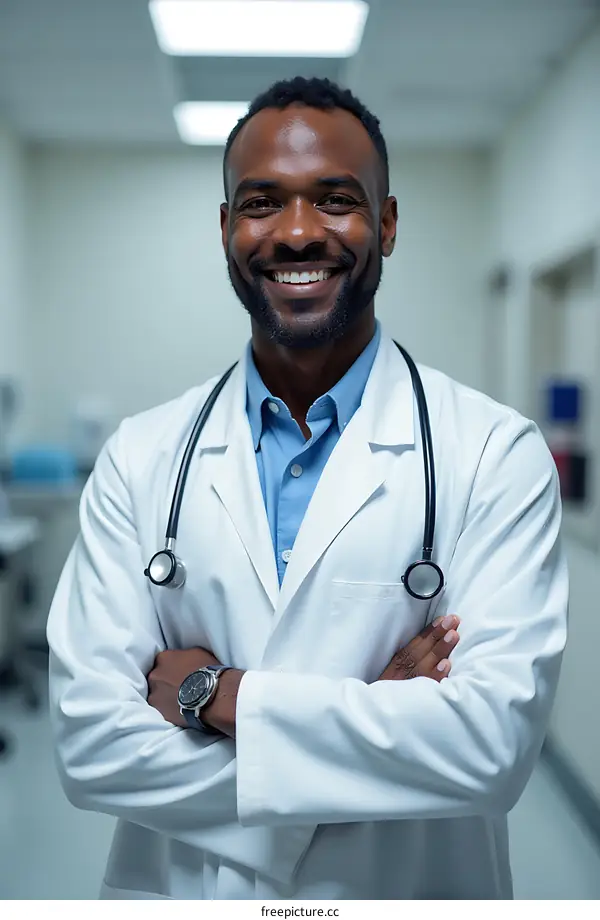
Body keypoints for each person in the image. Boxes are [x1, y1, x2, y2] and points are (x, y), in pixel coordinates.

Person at [47, 77, 568, 900]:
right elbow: (89, 747)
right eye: (261, 203)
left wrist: (213, 694)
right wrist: (374, 726)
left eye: (335, 201)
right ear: (225, 229)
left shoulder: (493, 454)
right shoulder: (141, 458)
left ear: (387, 225)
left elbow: (487, 748)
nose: (296, 233)